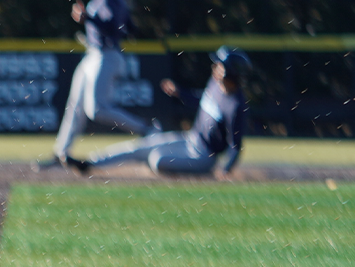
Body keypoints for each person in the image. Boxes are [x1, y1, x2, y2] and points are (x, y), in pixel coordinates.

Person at [40, 0, 154, 171]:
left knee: (97, 109)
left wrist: (88, 19)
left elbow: (113, 27)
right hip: (96, 54)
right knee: (75, 107)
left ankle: (145, 129)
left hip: (105, 55)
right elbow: (130, 28)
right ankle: (61, 153)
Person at [69, 48, 249, 176]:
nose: (215, 68)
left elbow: (235, 145)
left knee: (157, 160)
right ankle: (90, 163)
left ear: (230, 72)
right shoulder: (215, 85)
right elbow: (203, 99)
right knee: (141, 146)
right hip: (189, 139)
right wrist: (180, 93)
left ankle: (201, 176)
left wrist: (225, 170)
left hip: (204, 157)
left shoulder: (234, 105)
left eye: (220, 66)